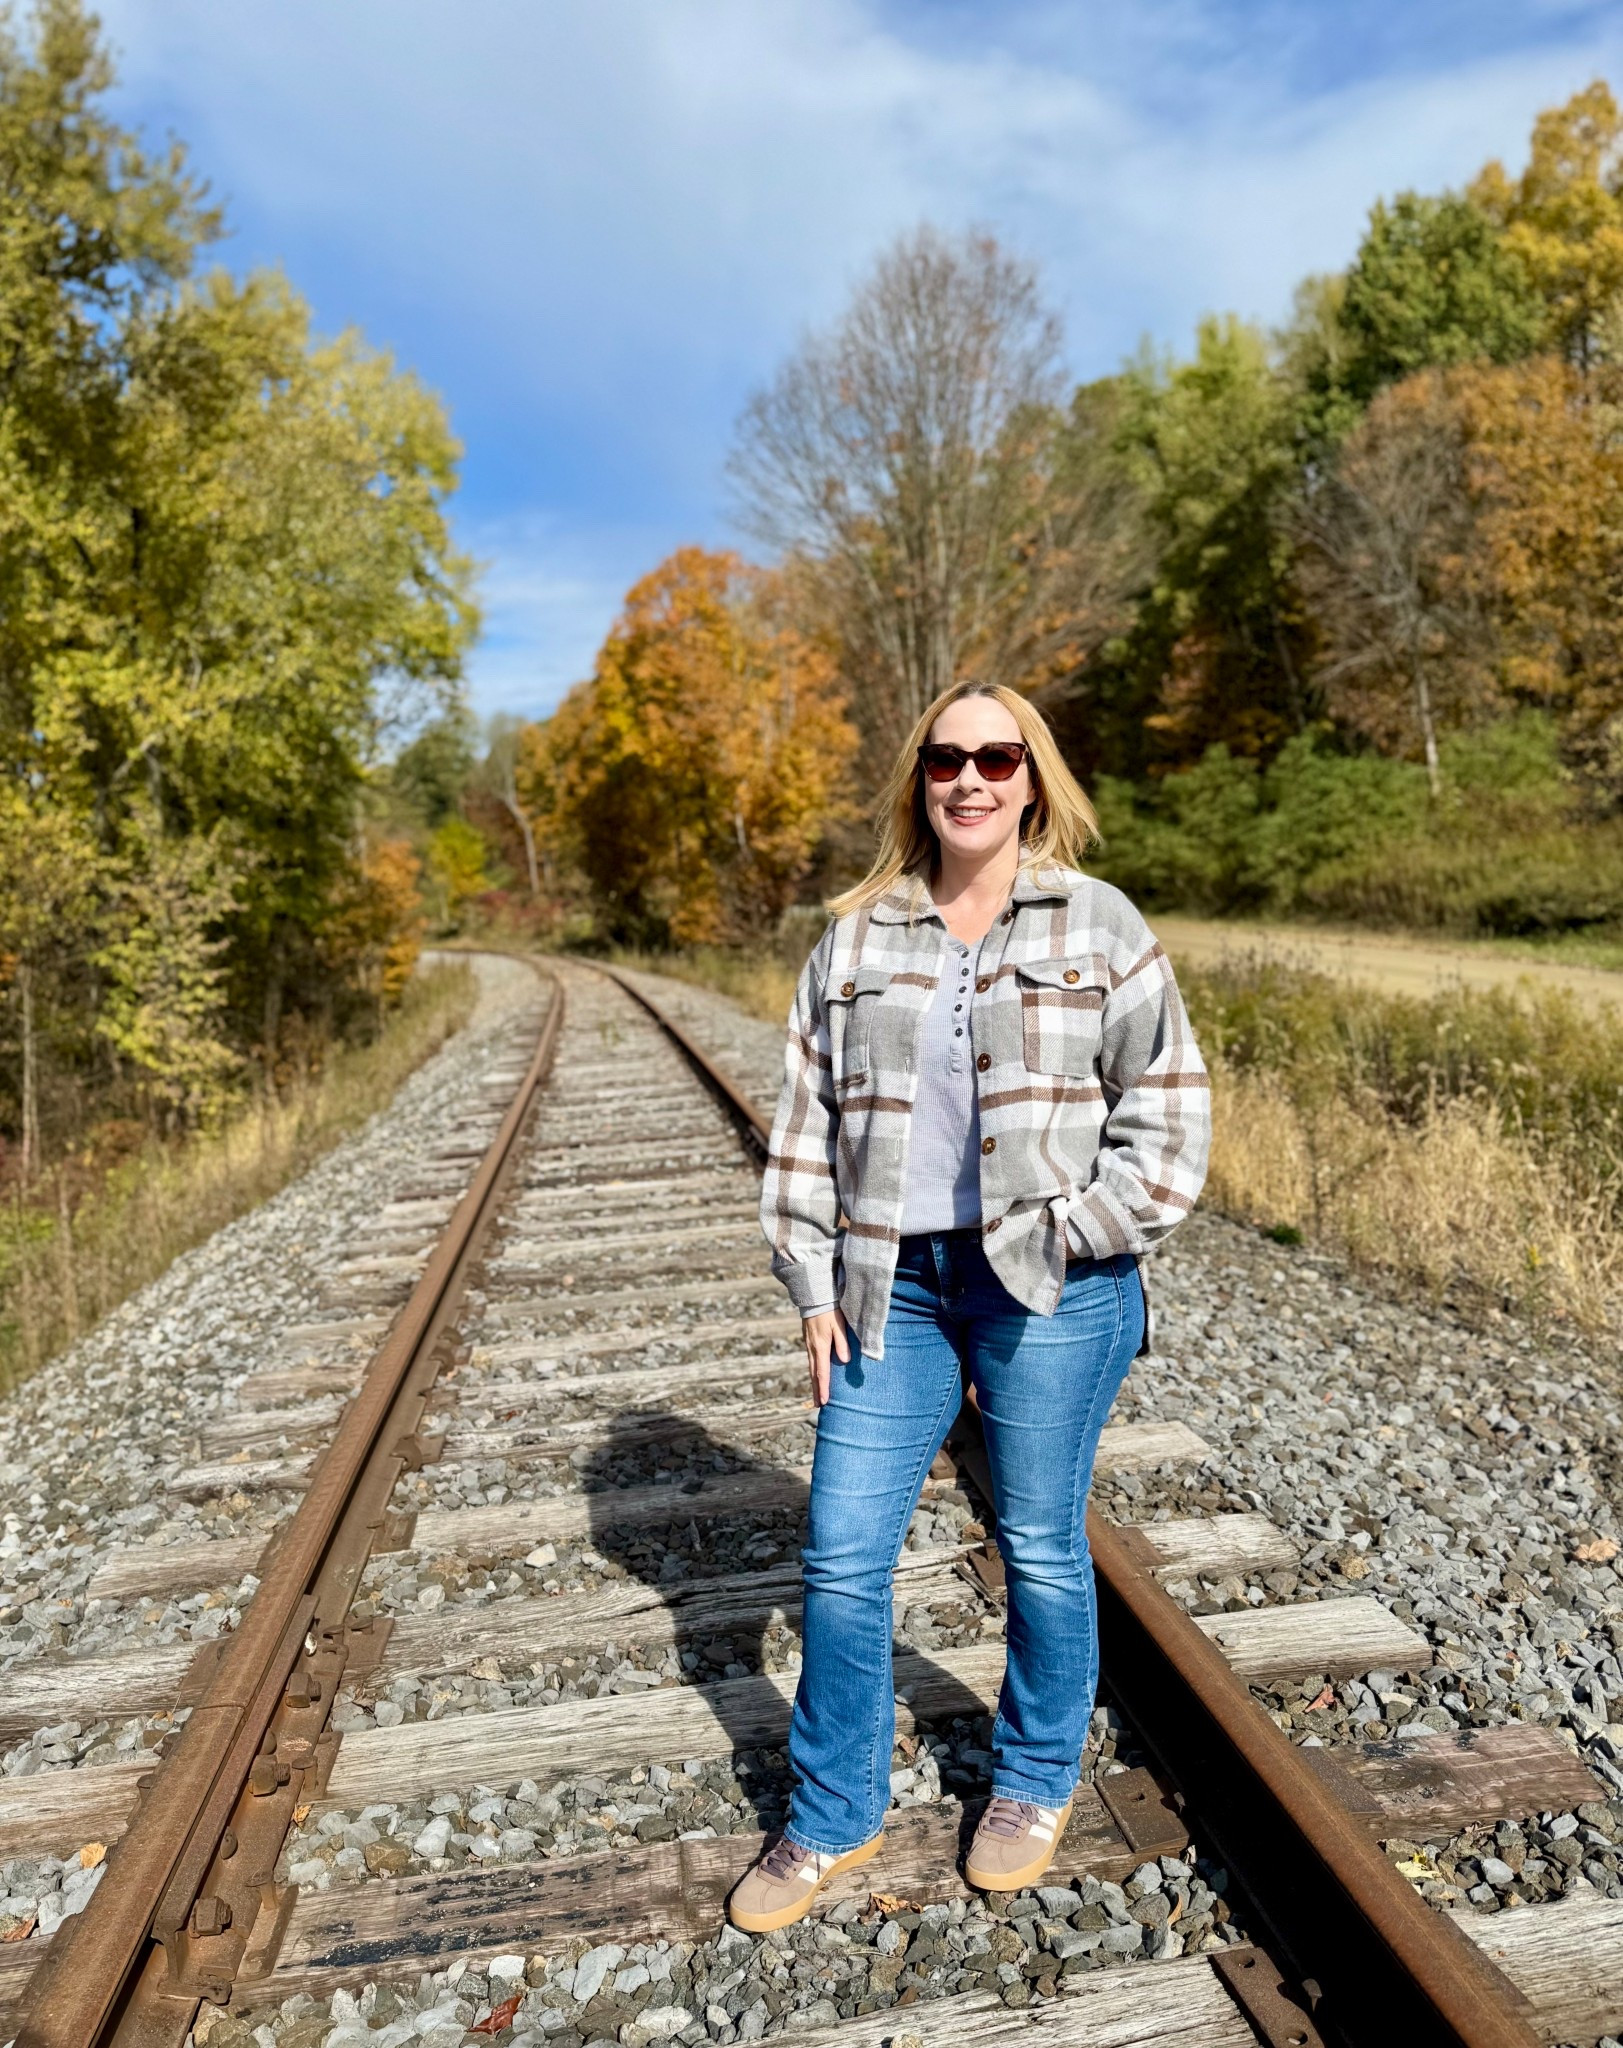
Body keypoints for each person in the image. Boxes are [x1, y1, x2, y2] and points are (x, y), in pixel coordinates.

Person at [726, 680, 1211, 1933]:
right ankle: (833, 1807)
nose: (971, 778)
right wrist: (809, 1274)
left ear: (1032, 777)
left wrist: (1072, 1233)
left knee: (1042, 1543)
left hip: (1051, 1283)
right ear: (920, 780)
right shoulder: (856, 937)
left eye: (998, 756)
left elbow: (1168, 1118)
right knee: (840, 1548)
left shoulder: (1098, 923)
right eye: (947, 758)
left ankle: (1034, 1778)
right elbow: (802, 1121)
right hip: (901, 1285)